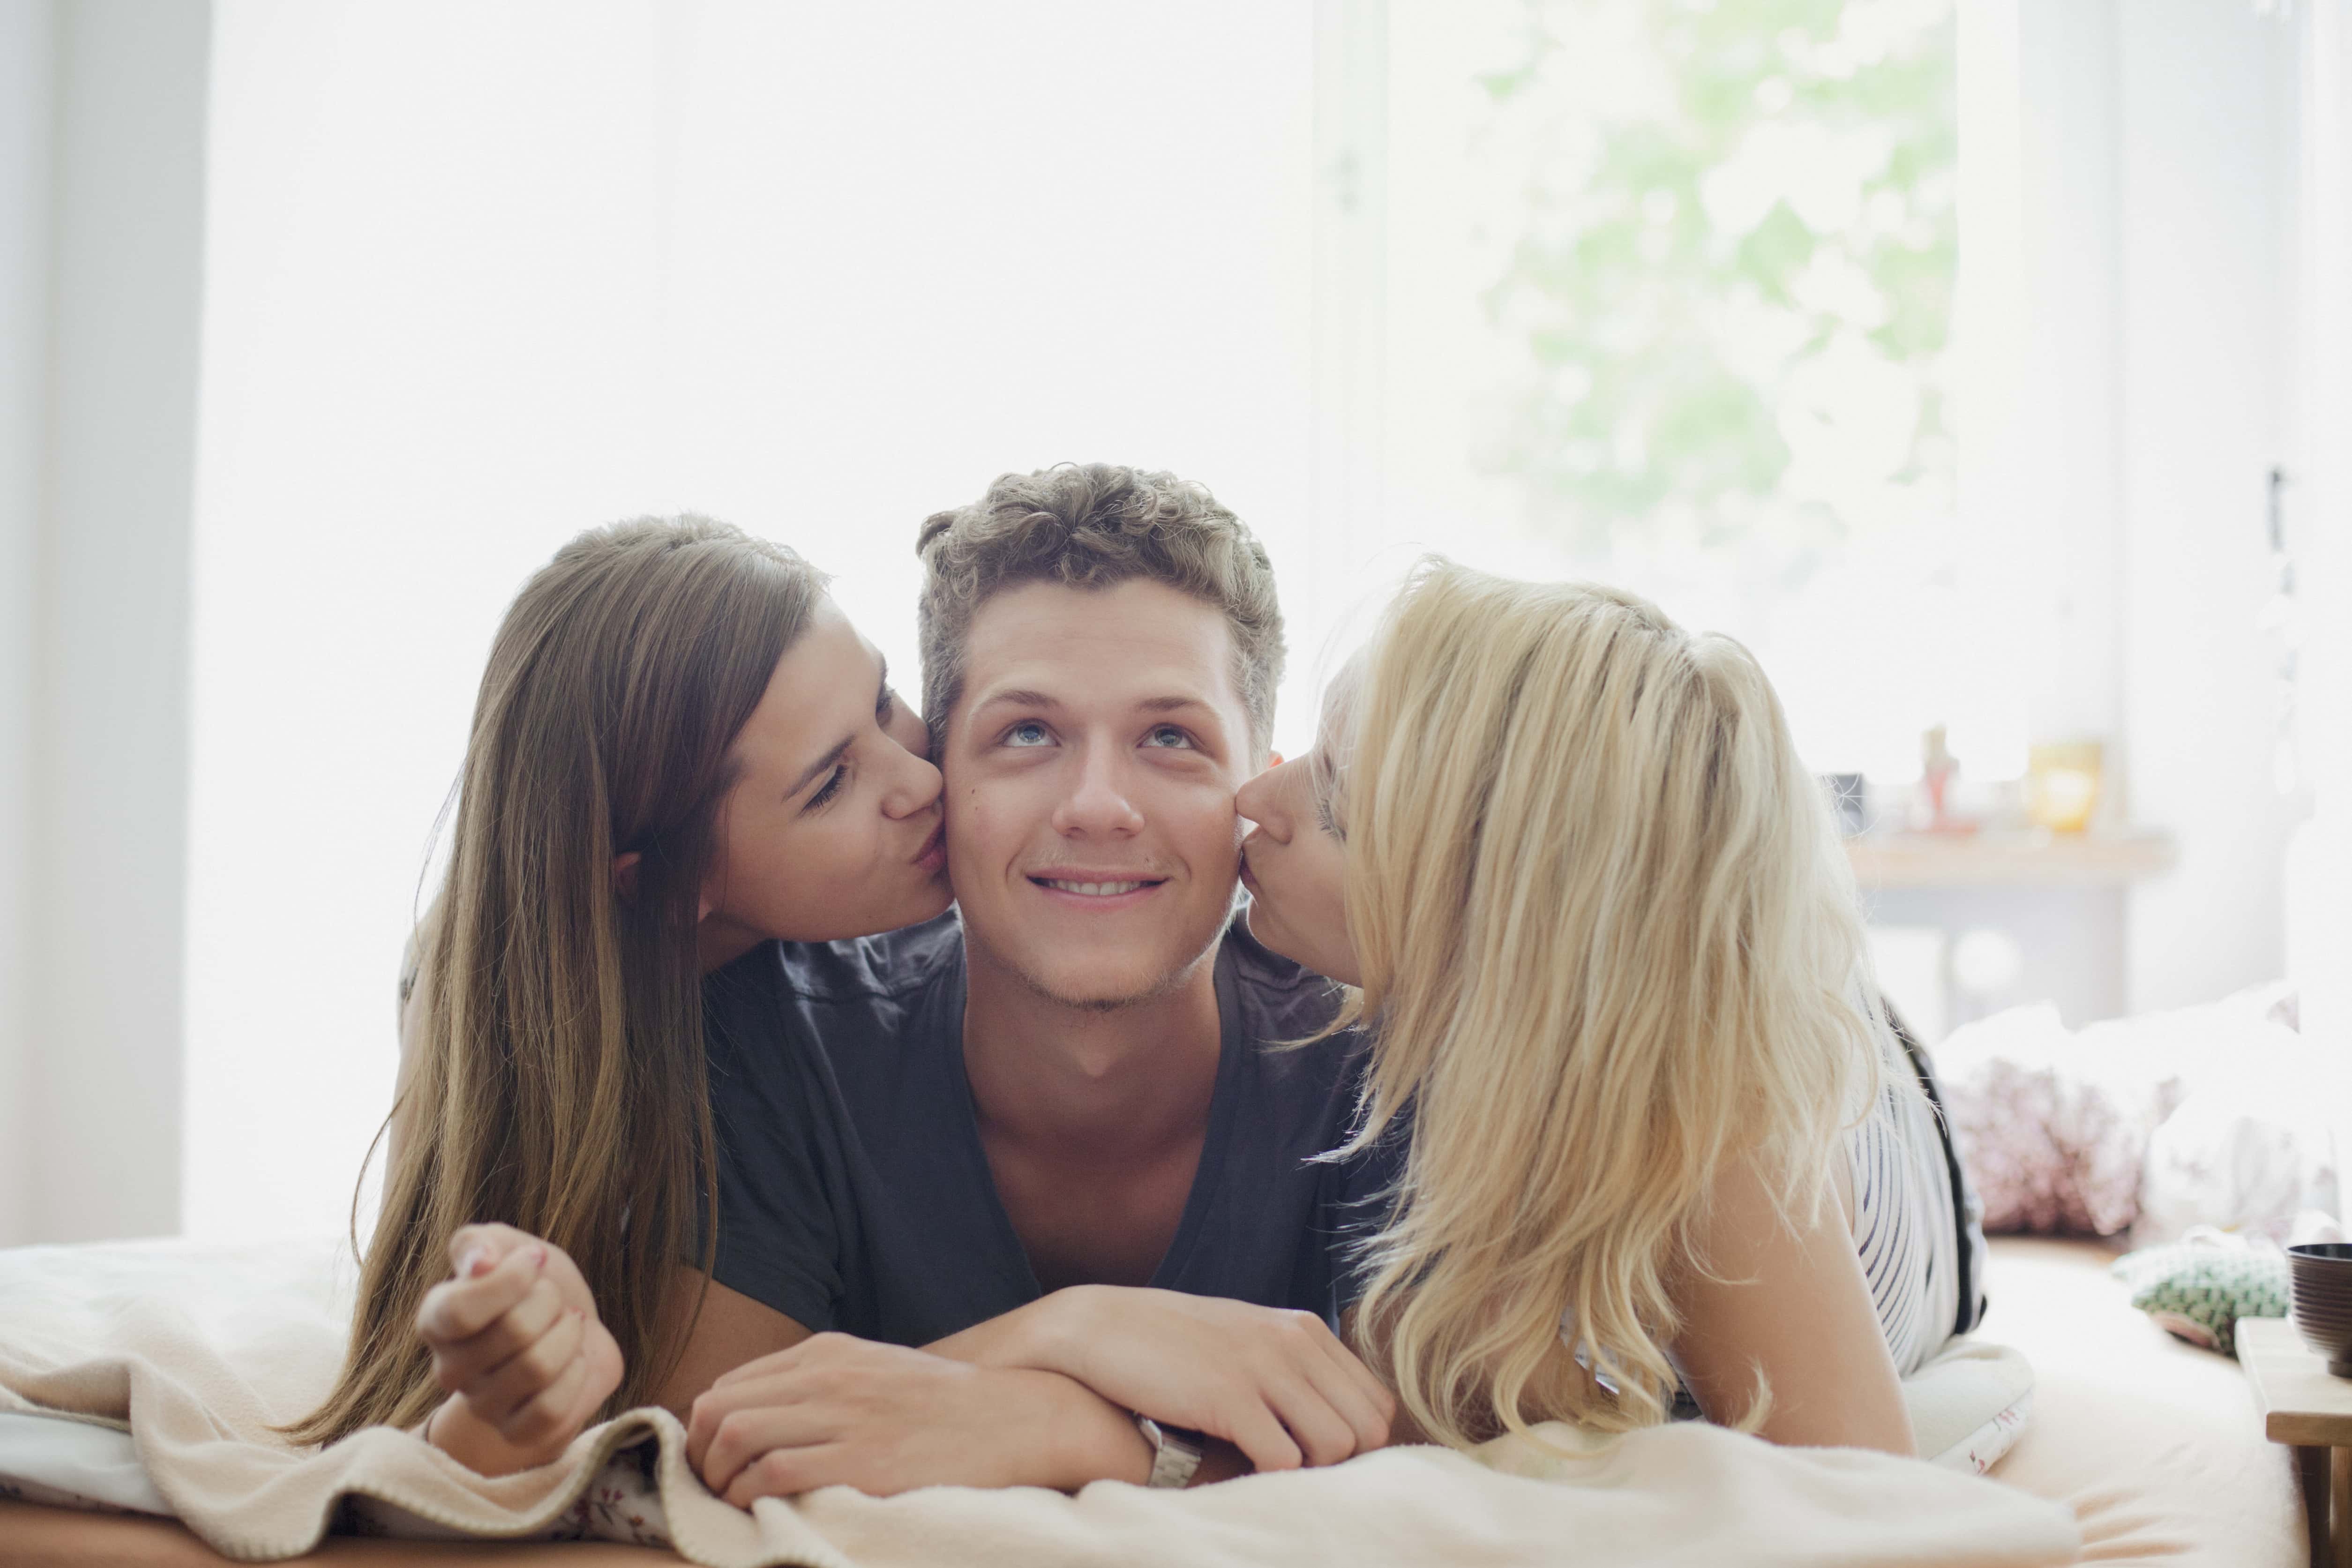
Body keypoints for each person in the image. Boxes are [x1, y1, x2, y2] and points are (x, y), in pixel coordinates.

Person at [659, 465, 1401, 1503]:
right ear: (939, 782)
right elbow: (702, 1455)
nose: (1097, 806)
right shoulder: (775, 1038)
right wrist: (1073, 1333)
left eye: (1171, 738)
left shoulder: (1380, 1067)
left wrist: (1070, 1429)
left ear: (1257, 787)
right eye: (1027, 733)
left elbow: (1446, 1461)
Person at [1233, 562, 1987, 1457]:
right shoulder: (1417, 1023)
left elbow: (1868, 1489)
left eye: (1333, 807)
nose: (1254, 799)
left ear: (1493, 916)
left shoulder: (1717, 1131)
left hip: (1890, 1125)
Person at [292, 516, 954, 1478]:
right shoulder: (481, 993)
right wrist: (503, 1402)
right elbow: (440, 1389)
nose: (923, 777)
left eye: (884, 699)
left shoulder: (913, 967)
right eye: (830, 784)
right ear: (664, 885)